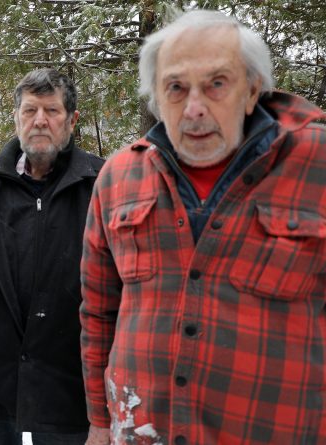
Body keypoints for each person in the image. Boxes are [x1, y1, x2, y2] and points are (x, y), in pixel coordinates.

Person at [81, 9, 326, 445]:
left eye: (216, 84)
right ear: (156, 98)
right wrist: (100, 422)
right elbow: (99, 312)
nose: (194, 109)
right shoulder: (118, 176)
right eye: (176, 88)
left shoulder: (316, 164)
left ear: (252, 90)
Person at [0, 68, 104, 445]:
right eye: (29, 110)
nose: (40, 120)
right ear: (16, 118)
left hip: (71, 382)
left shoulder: (102, 185)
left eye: (52, 110)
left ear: (72, 120)